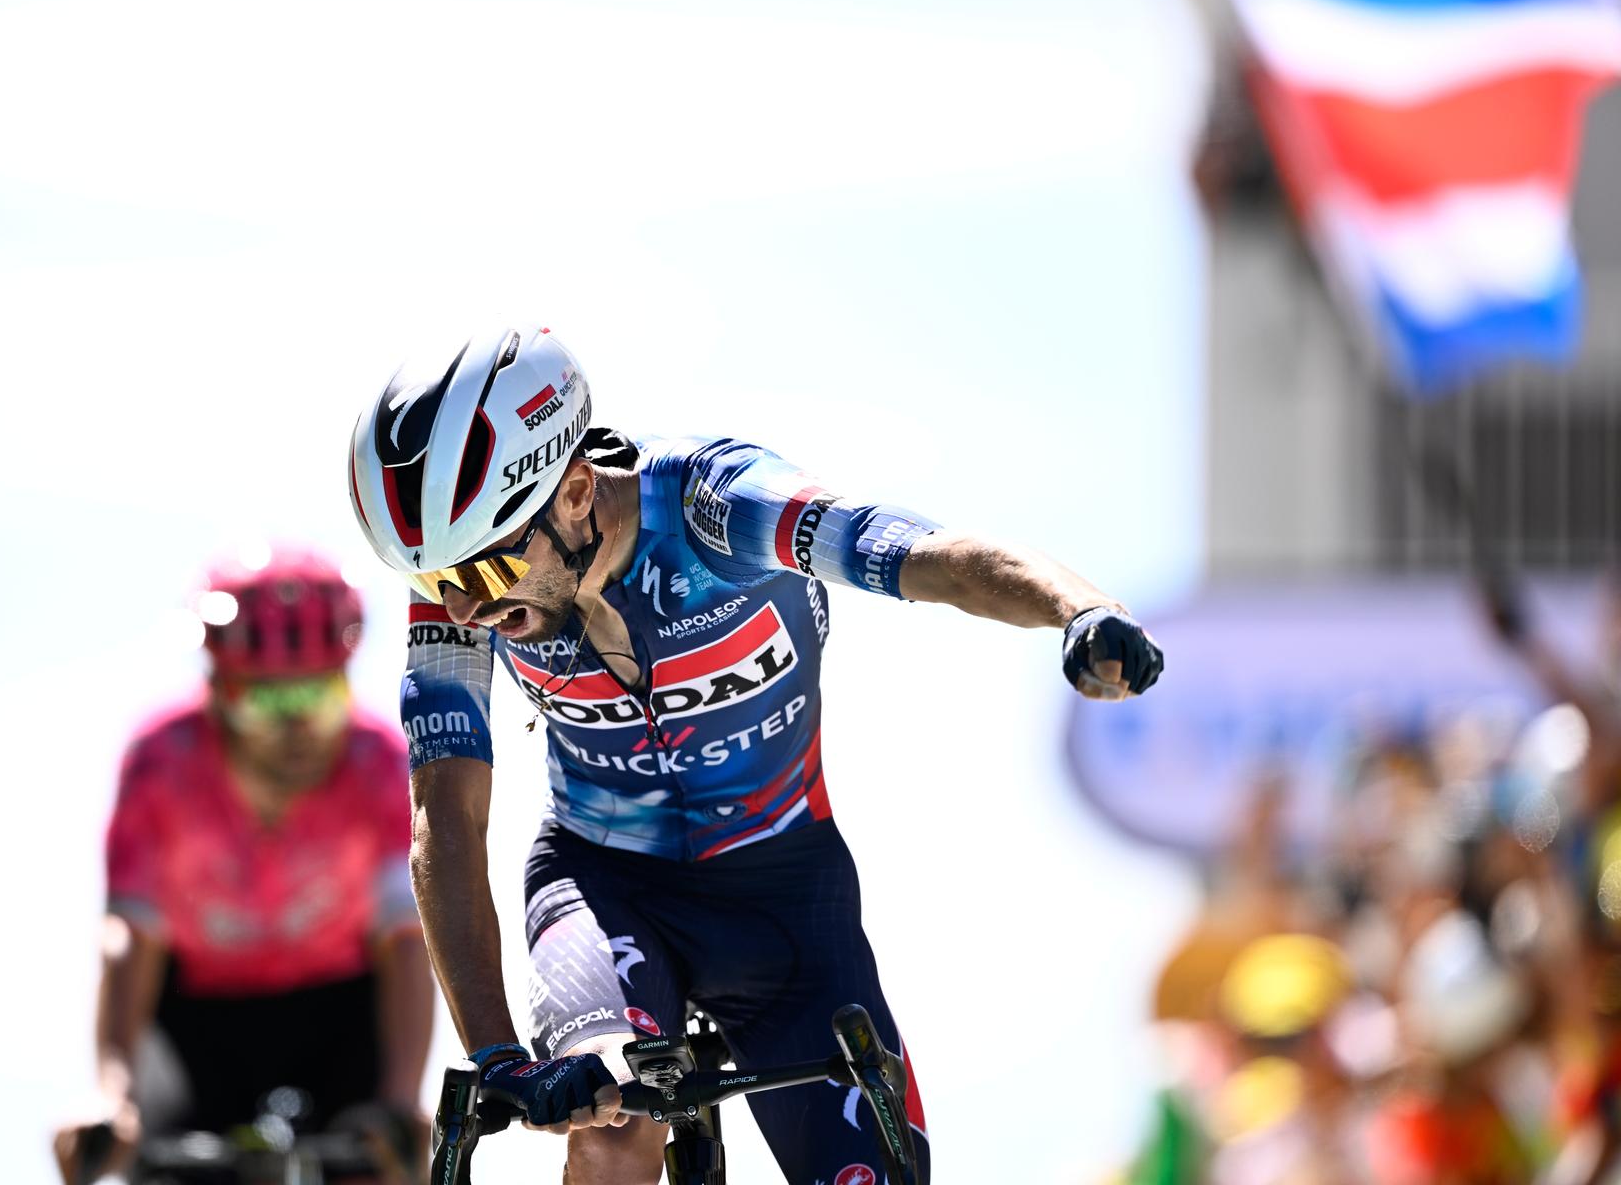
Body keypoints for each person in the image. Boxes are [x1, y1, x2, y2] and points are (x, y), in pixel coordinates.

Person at [349, 328, 1165, 1184]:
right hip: (602, 884)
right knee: (615, 1117)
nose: (467, 612)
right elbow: (446, 815)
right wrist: (499, 1053)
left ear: (578, 490)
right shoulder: (457, 596)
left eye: (482, 576)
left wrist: (1079, 608)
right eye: (438, 584)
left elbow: (935, 560)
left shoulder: (720, 506)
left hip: (783, 889)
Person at [51, 545, 435, 1184]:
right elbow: (130, 936)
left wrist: (401, 1097)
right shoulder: (159, 763)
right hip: (197, 1016)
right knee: (150, 1156)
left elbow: (404, 940)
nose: (297, 732)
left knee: (381, 1161)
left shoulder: (379, 763)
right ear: (216, 691)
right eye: (267, 704)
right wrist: (110, 1092)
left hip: (339, 1012)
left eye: (317, 698)